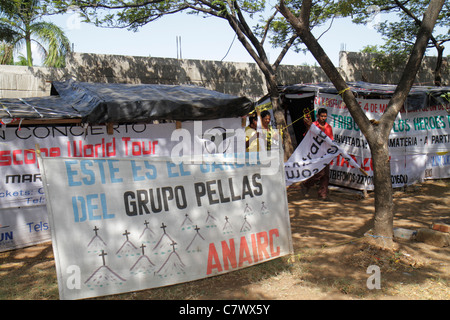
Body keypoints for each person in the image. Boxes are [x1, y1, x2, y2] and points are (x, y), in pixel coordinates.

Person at [302, 108, 333, 201]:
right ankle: (307, 184)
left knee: (326, 174)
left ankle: (322, 195)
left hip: (325, 153)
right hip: (315, 153)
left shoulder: (328, 127)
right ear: (318, 116)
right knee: (320, 173)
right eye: (322, 116)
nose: (323, 118)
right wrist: (308, 127)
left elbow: (330, 140)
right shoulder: (313, 125)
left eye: (325, 116)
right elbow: (307, 136)